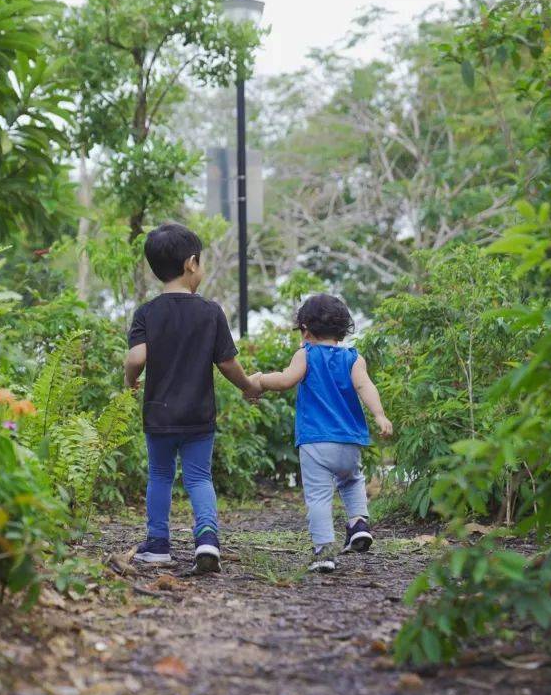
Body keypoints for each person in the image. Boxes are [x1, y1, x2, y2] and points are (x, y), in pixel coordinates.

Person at [124, 223, 262, 575]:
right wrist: (247, 386)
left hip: (159, 413)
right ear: (191, 263)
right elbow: (228, 363)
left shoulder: (146, 313)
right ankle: (207, 538)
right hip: (199, 414)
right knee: (199, 477)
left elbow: (136, 358)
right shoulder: (210, 311)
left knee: (159, 474)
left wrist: (130, 381)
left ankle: (157, 543)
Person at [250, 294, 392, 573]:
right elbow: (366, 387)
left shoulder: (306, 354)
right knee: (351, 481)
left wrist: (260, 380)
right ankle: (359, 523)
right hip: (349, 440)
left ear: (305, 329)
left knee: (318, 497)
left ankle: (324, 550)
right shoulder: (353, 358)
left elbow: (286, 379)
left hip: (316, 440)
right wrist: (379, 415)